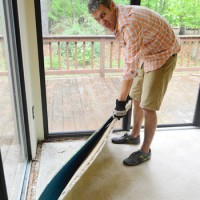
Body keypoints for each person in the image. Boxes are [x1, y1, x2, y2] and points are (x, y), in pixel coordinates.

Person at [88, 0, 181, 166]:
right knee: (136, 95)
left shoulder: (129, 24)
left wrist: (119, 103)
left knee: (148, 106)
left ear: (112, 6)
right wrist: (123, 101)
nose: (102, 22)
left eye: (103, 15)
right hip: (147, 53)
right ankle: (134, 136)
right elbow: (131, 58)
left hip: (163, 54)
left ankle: (145, 152)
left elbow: (130, 69)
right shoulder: (118, 20)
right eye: (97, 19)